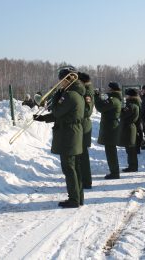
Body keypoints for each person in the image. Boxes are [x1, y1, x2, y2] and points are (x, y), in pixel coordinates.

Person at [33, 67, 85, 208]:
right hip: (71, 132)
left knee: (69, 168)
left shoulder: (69, 95)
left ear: (68, 79)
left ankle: (74, 199)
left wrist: (56, 97)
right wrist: (43, 118)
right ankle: (78, 197)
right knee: (74, 167)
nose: (59, 83)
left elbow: (56, 111)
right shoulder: (75, 94)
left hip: (68, 134)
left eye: (61, 80)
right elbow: (62, 114)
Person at [94, 81, 122, 179]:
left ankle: (115, 172)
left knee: (111, 152)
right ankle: (114, 171)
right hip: (110, 127)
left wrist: (96, 97)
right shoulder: (114, 99)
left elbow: (101, 108)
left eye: (109, 88)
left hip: (111, 128)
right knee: (110, 151)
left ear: (112, 89)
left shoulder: (113, 100)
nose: (108, 90)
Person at [78, 72, 94, 189]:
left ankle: (86, 181)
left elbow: (87, 111)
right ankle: (83, 179)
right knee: (81, 155)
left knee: (83, 155)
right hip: (82, 124)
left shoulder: (87, 92)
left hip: (83, 125)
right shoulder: (85, 90)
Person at [119, 88, 140, 172]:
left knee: (130, 149)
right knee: (130, 149)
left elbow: (122, 115)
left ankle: (133, 166)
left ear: (130, 96)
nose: (126, 96)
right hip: (130, 127)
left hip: (129, 128)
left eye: (127, 95)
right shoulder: (134, 104)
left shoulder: (131, 105)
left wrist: (120, 111)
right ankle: (132, 165)